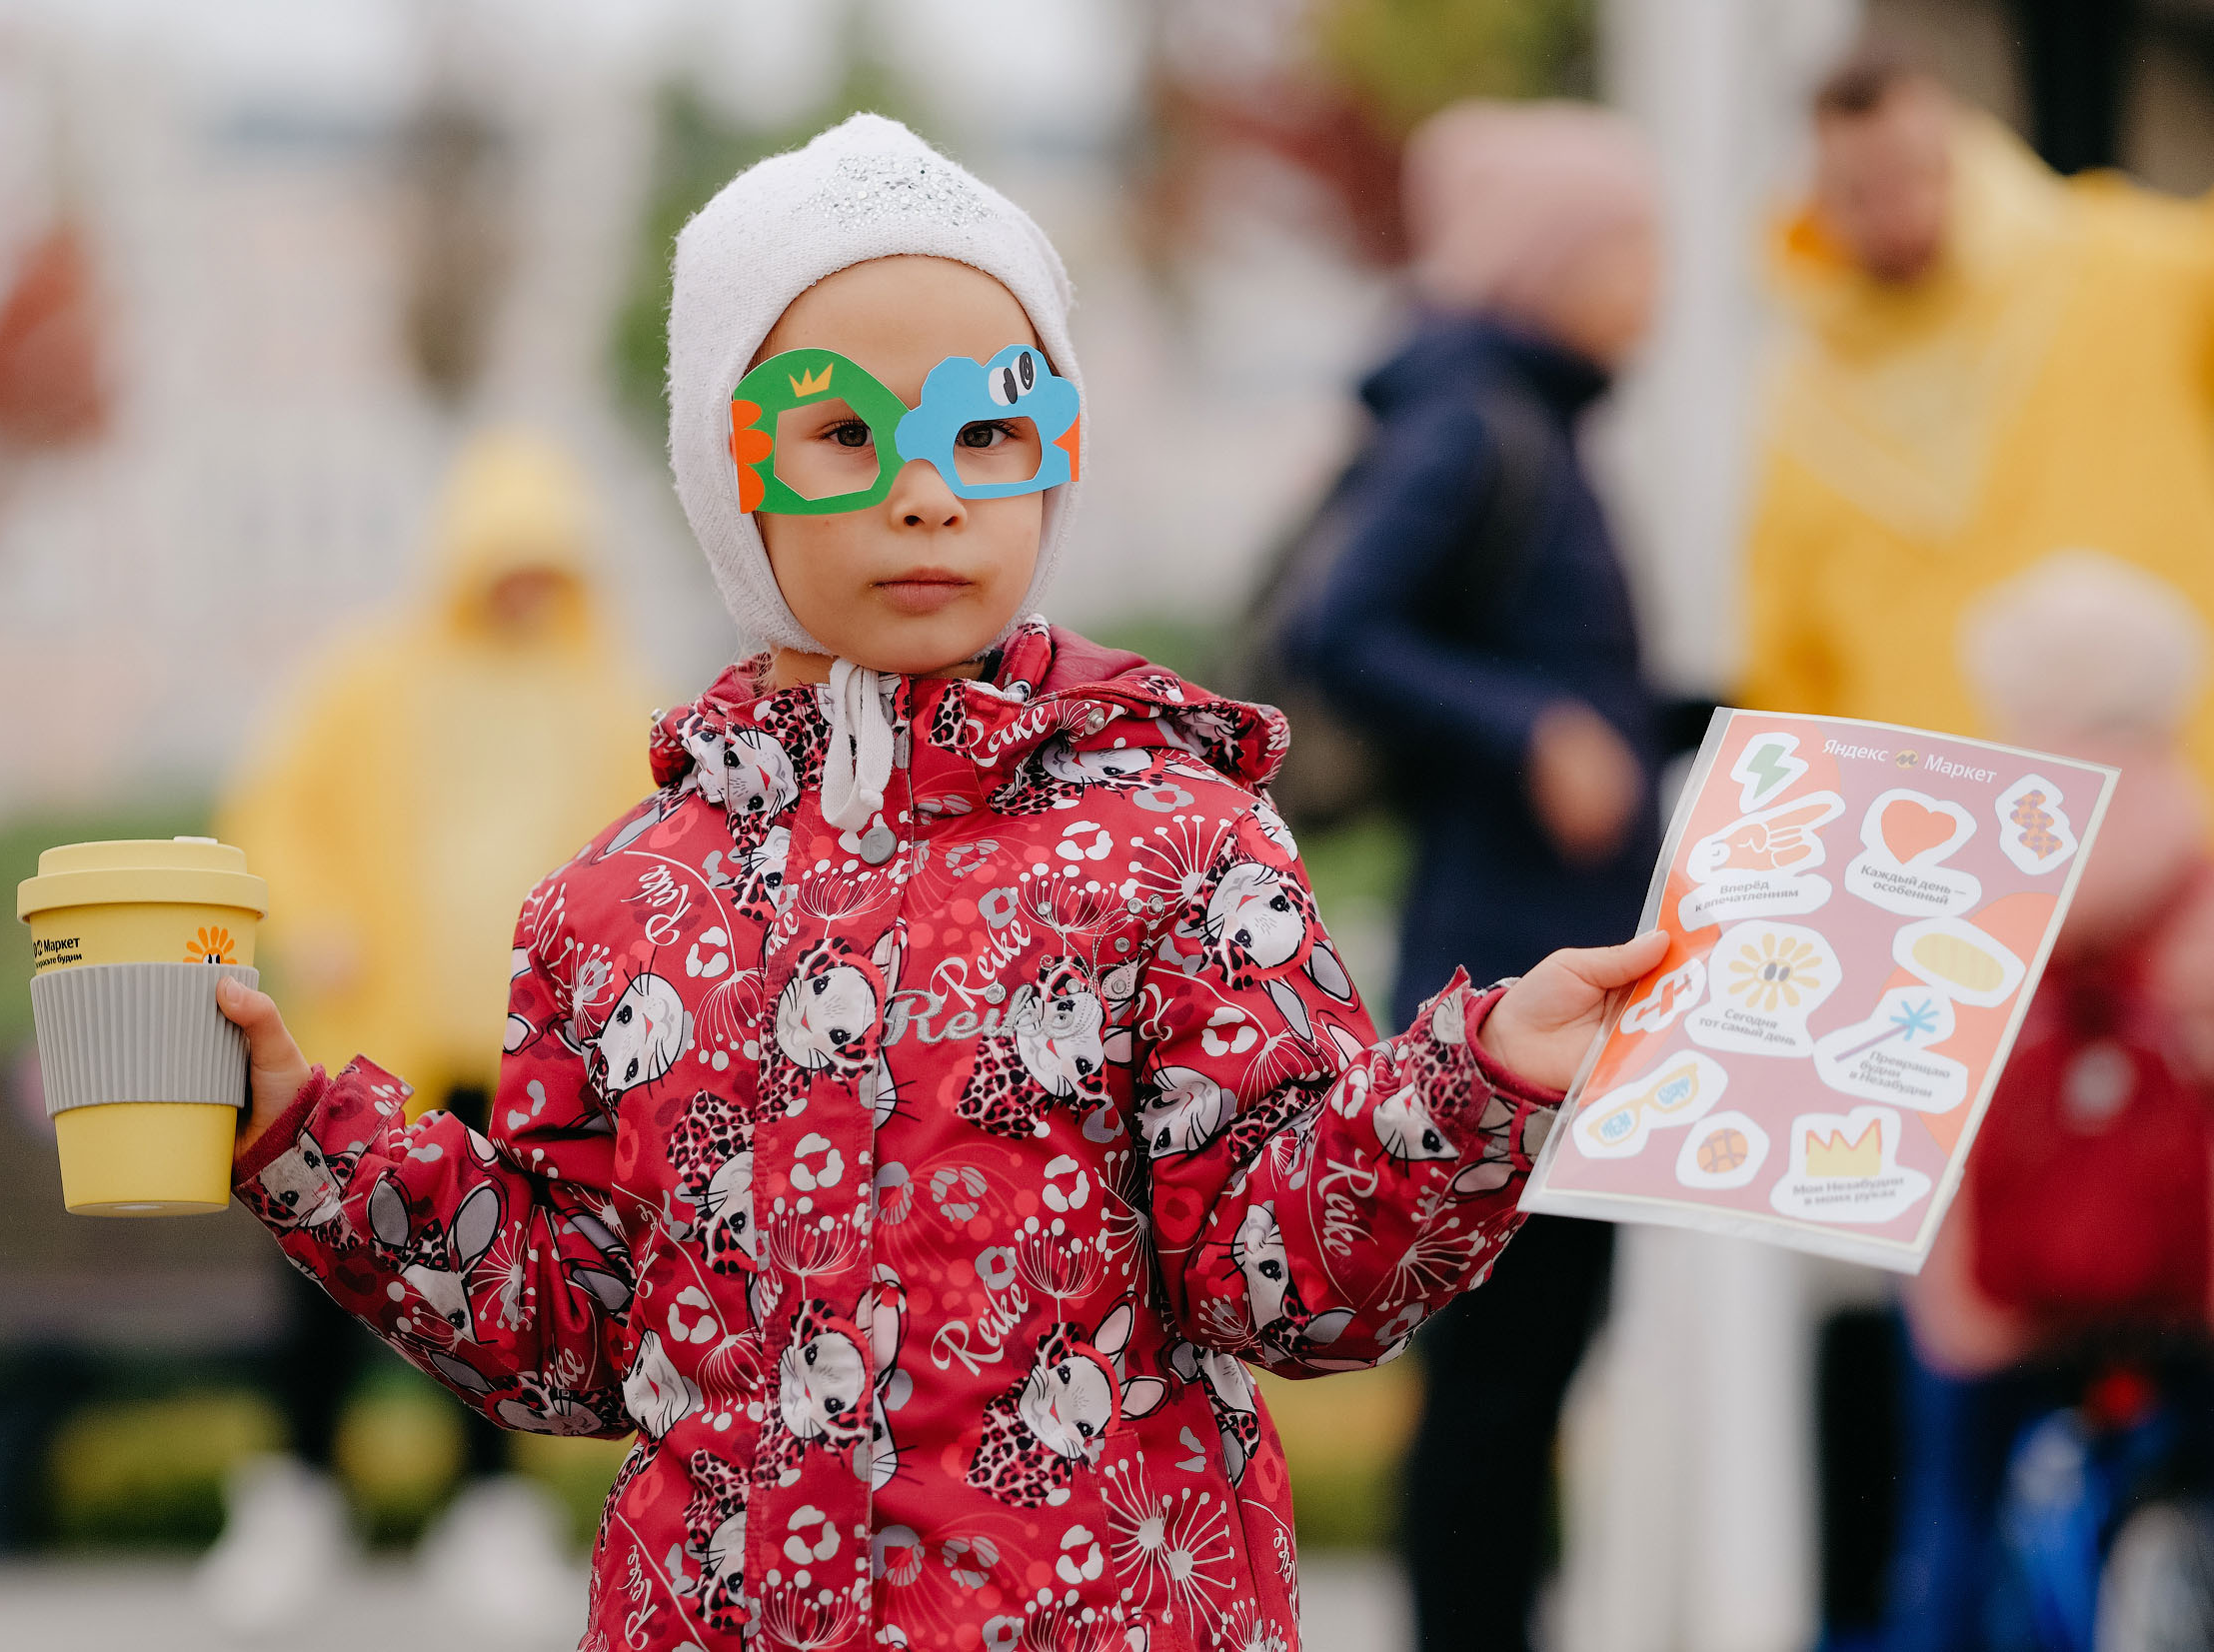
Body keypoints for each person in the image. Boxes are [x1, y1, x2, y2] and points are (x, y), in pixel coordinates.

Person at [212, 115, 1664, 1648]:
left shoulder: (1180, 847)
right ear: (729, 463)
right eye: (846, 433)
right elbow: (573, 1337)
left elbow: (1285, 1279)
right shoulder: (615, 908)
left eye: (986, 429)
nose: (927, 492)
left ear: (1056, 453)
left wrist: (1477, 1082)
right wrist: (304, 1141)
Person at [1280, 99, 1680, 1652]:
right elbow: (1340, 629)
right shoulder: (1473, 421)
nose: (1654, 282)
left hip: (1556, 960)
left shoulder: (1533, 420)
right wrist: (1535, 733)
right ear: (1547, 262)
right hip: (1509, 984)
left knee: (1533, 1372)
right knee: (1502, 1379)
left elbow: (1563, 666)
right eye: (1626, 248)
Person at [199, 429, 657, 1635]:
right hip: (380, 1037)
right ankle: (295, 1495)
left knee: (502, 1284)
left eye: (542, 565)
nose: (521, 588)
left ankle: (486, 1514)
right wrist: (315, 920)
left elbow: (644, 851)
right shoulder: (371, 681)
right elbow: (278, 805)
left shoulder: (598, 695)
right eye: (504, 562)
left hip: (524, 1058)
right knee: (319, 1277)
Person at [1884, 553, 2214, 1651]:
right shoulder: (2195, 840)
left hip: (1994, 1290)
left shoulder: (1974, 856)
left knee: (1950, 1512)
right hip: (2183, 1279)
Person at [1744, 41, 2214, 793]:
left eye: (1911, 175)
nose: (1894, 213)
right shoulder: (1809, 396)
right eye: (1859, 192)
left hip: (2163, 788)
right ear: (1819, 199)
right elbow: (1787, 655)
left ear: (1958, 150)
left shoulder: (2124, 267)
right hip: (1939, 847)